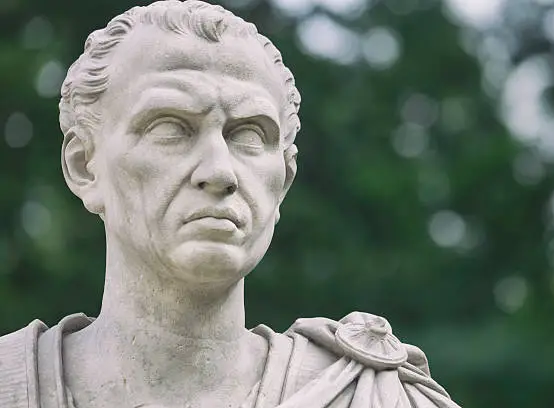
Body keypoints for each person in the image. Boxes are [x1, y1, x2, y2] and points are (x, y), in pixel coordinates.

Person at [0, 1, 460, 407]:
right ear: (85, 166)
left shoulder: (374, 398)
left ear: (284, 182)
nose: (219, 172)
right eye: (170, 128)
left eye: (250, 135)